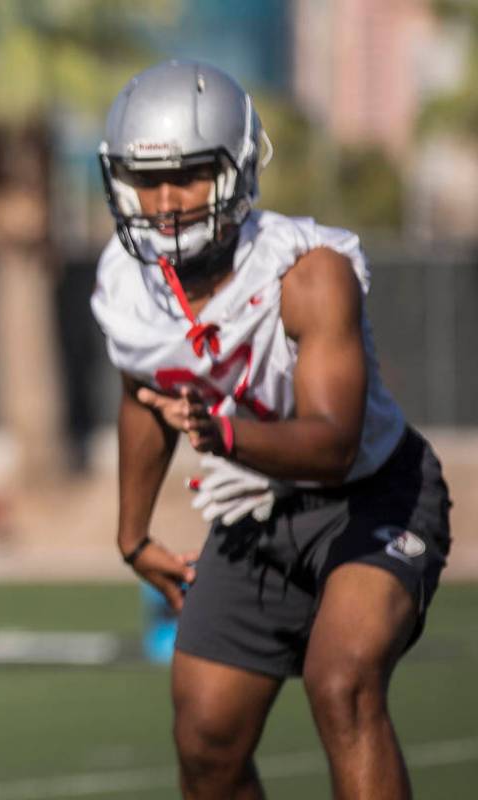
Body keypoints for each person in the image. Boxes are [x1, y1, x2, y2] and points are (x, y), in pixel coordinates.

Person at [91, 60, 450, 799]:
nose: (163, 203)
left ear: (239, 168)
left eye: (188, 176)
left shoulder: (307, 271)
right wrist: (132, 536)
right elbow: (140, 394)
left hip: (374, 497)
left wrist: (224, 436)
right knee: (205, 740)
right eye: (145, 180)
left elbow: (332, 442)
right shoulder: (129, 283)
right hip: (256, 514)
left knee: (341, 681)